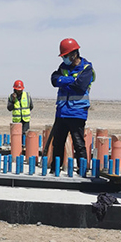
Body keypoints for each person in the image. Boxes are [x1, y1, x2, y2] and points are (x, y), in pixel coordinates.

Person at [49, 38, 95, 171]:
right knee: (57, 143)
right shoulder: (63, 67)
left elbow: (80, 86)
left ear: (74, 54)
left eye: (65, 56)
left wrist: (63, 82)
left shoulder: (86, 68)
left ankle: (83, 170)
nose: (64, 59)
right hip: (62, 111)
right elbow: (54, 80)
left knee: (79, 143)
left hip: (77, 111)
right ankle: (54, 169)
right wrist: (71, 80)